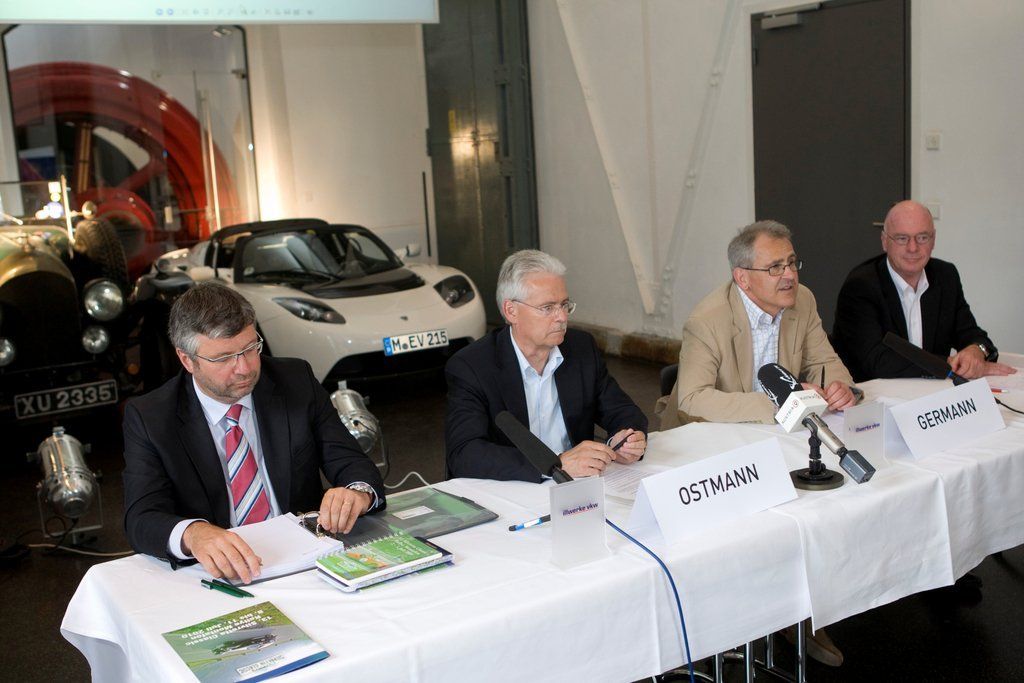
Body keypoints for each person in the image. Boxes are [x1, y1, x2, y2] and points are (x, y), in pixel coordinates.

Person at [123, 282, 384, 583]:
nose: (244, 368)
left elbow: (350, 461)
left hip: (307, 559)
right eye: (224, 358)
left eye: (250, 348)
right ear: (187, 360)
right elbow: (141, 517)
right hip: (218, 574)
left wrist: (357, 492)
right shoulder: (151, 416)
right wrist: (193, 534)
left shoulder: (295, 380)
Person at [445, 249, 648, 482]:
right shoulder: (472, 366)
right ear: (511, 311)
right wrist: (555, 464)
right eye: (548, 308)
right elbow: (464, 453)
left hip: (577, 486)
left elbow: (623, 410)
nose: (562, 317)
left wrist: (626, 439)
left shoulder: (581, 348)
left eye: (564, 305)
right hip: (513, 488)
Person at [658, 220, 857, 430]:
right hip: (710, 432)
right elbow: (692, 399)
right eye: (775, 267)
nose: (790, 275)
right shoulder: (706, 322)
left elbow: (823, 361)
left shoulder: (803, 300)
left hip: (773, 430)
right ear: (742, 278)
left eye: (791, 263)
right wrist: (779, 402)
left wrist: (840, 388)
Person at [832, 200, 1016, 382]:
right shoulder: (861, 286)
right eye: (902, 238)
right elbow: (876, 360)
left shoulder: (945, 276)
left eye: (922, 237)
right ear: (885, 241)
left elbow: (971, 334)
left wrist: (976, 351)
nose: (913, 248)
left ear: (933, 240)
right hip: (872, 394)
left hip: (932, 393)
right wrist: (949, 364)